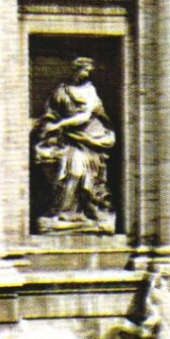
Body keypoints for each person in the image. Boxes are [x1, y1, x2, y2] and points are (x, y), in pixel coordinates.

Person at [33, 57, 117, 233]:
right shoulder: (61, 90)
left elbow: (85, 116)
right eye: (83, 70)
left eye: (88, 72)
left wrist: (60, 124)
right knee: (70, 173)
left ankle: (84, 212)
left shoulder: (90, 91)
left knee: (82, 175)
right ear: (75, 70)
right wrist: (48, 126)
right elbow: (50, 113)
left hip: (90, 140)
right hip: (68, 140)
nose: (86, 74)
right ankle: (65, 212)